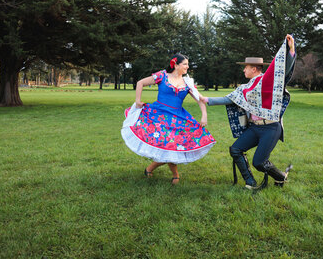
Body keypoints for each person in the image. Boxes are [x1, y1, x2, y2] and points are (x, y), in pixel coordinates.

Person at [201, 34, 296, 190]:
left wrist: (290, 50)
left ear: (254, 69)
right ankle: (250, 182)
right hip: (255, 127)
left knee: (259, 162)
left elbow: (283, 71)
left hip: (270, 128)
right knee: (236, 149)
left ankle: (280, 177)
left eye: (245, 67)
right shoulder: (245, 87)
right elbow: (229, 99)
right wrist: (205, 99)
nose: (243, 69)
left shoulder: (268, 81)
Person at [121, 54, 216, 185]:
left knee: (172, 145)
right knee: (168, 145)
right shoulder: (162, 75)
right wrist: (137, 101)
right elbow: (140, 83)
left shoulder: (187, 82)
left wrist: (204, 115)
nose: (187, 67)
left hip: (177, 118)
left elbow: (200, 99)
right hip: (158, 116)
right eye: (185, 64)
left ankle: (150, 169)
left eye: (188, 64)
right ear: (176, 65)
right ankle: (174, 174)